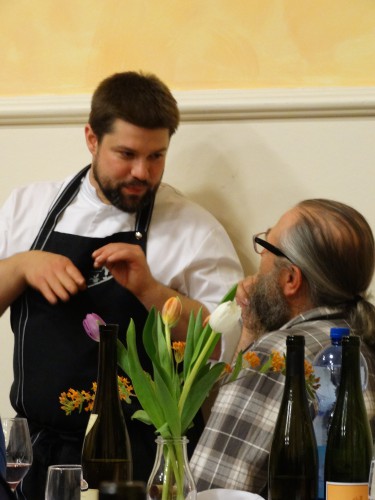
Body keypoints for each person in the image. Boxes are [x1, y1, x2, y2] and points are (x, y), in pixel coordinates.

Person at [0, 71, 243, 499]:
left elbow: (228, 344)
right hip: (36, 455)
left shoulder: (194, 229)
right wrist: (20, 266)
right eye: (126, 154)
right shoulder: (27, 207)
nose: (141, 172)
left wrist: (151, 291)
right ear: (91, 138)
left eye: (156, 157)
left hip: (143, 464)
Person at [190, 199, 375, 497]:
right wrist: (252, 328)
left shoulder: (280, 356)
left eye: (266, 244)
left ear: (290, 279)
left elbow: (212, 488)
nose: (260, 256)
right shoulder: (363, 343)